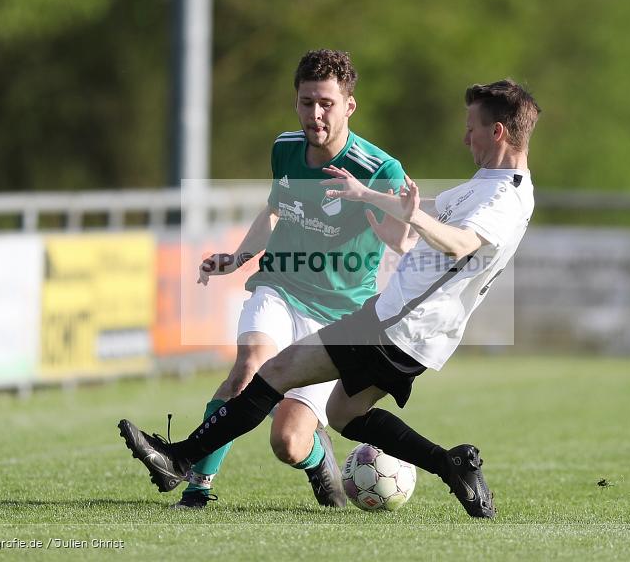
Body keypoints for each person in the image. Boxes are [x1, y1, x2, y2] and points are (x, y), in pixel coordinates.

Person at [120, 79, 540, 518]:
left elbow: (459, 244)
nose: (464, 135)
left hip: (397, 325)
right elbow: (436, 232)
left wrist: (408, 213)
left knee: (276, 372)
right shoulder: (487, 183)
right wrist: (380, 208)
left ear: (498, 133)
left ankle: (181, 459)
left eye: (471, 126)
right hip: (407, 326)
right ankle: (450, 464)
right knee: (343, 413)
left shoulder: (504, 195)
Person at [173, 49, 411, 509]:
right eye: (306, 102)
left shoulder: (380, 168)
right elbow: (276, 210)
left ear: (349, 106)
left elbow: (401, 239)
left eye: (325, 103)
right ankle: (194, 483)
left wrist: (387, 215)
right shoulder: (285, 148)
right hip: (281, 285)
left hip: (339, 315)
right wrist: (240, 256)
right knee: (247, 371)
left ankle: (318, 459)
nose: (315, 114)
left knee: (288, 443)